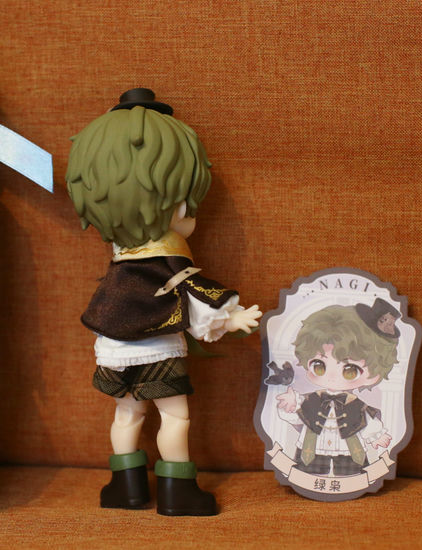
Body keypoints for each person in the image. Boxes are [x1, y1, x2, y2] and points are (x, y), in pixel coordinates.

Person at [66, 88, 262, 516]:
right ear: (173, 205)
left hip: (112, 351)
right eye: (187, 205)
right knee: (175, 417)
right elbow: (193, 294)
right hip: (158, 352)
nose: (191, 214)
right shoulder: (168, 261)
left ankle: (125, 489)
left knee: (127, 416)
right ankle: (177, 492)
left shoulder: (120, 261)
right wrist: (231, 318)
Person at [276, 300, 399, 476]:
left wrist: (377, 436)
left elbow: (368, 423)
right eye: (319, 366)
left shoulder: (358, 405)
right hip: (312, 448)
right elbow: (294, 415)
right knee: (308, 469)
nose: (332, 377)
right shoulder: (309, 400)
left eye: (350, 371)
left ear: (373, 375)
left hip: (349, 450)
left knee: (351, 472)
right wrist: (289, 405)